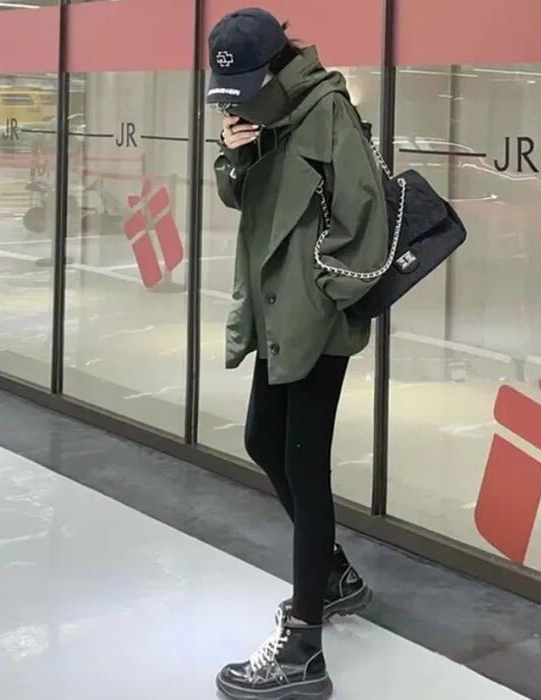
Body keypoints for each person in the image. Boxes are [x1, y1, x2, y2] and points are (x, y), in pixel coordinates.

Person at [207, 8, 388, 700]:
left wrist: (322, 293)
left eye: (246, 86)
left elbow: (363, 220)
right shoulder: (266, 114)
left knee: (304, 464)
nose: (237, 101)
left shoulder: (326, 110)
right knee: (263, 439)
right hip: (278, 310)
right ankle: (334, 575)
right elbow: (242, 199)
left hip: (314, 318)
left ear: (277, 66)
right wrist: (235, 153)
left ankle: (304, 648)